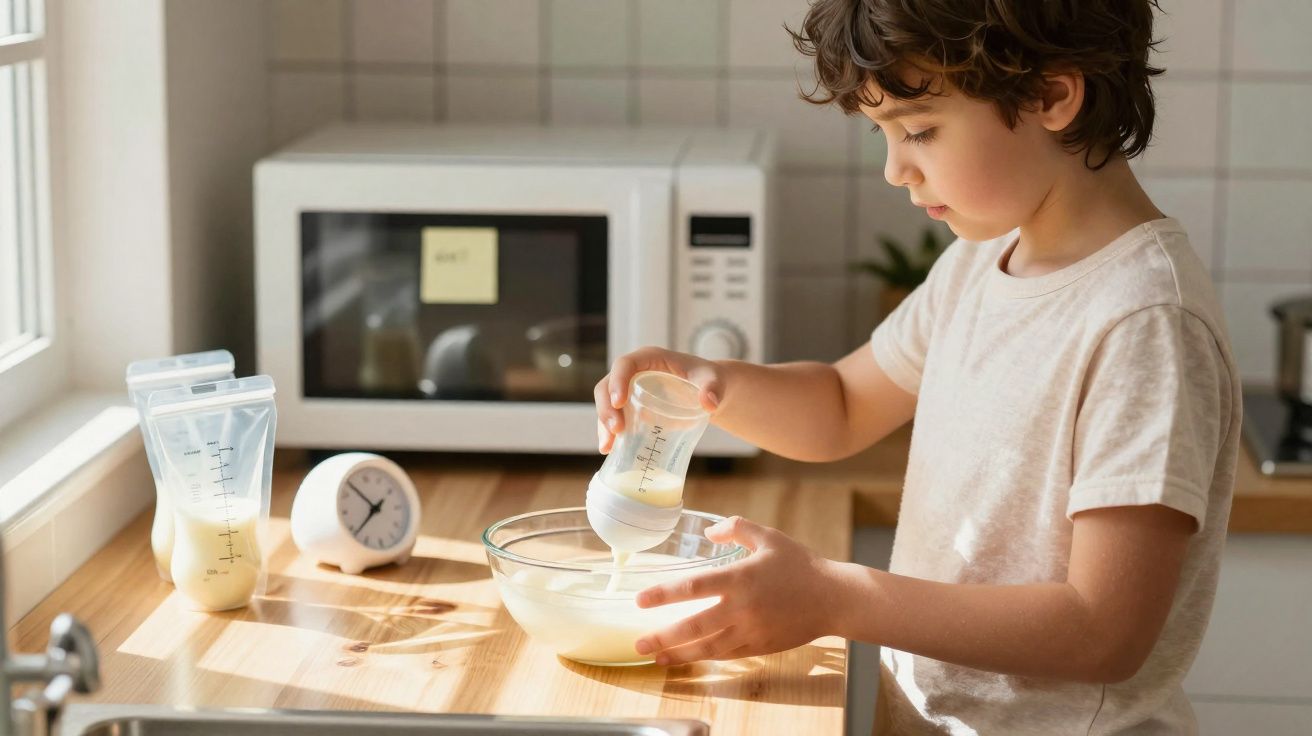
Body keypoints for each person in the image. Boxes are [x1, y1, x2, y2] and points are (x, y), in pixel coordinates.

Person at [593, 1, 1240, 732]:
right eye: (885, 135)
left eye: (920, 131)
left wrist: (834, 596)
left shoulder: (1145, 322)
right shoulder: (980, 262)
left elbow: (1104, 630)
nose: (895, 169)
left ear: (1053, 96)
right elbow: (840, 405)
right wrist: (710, 384)